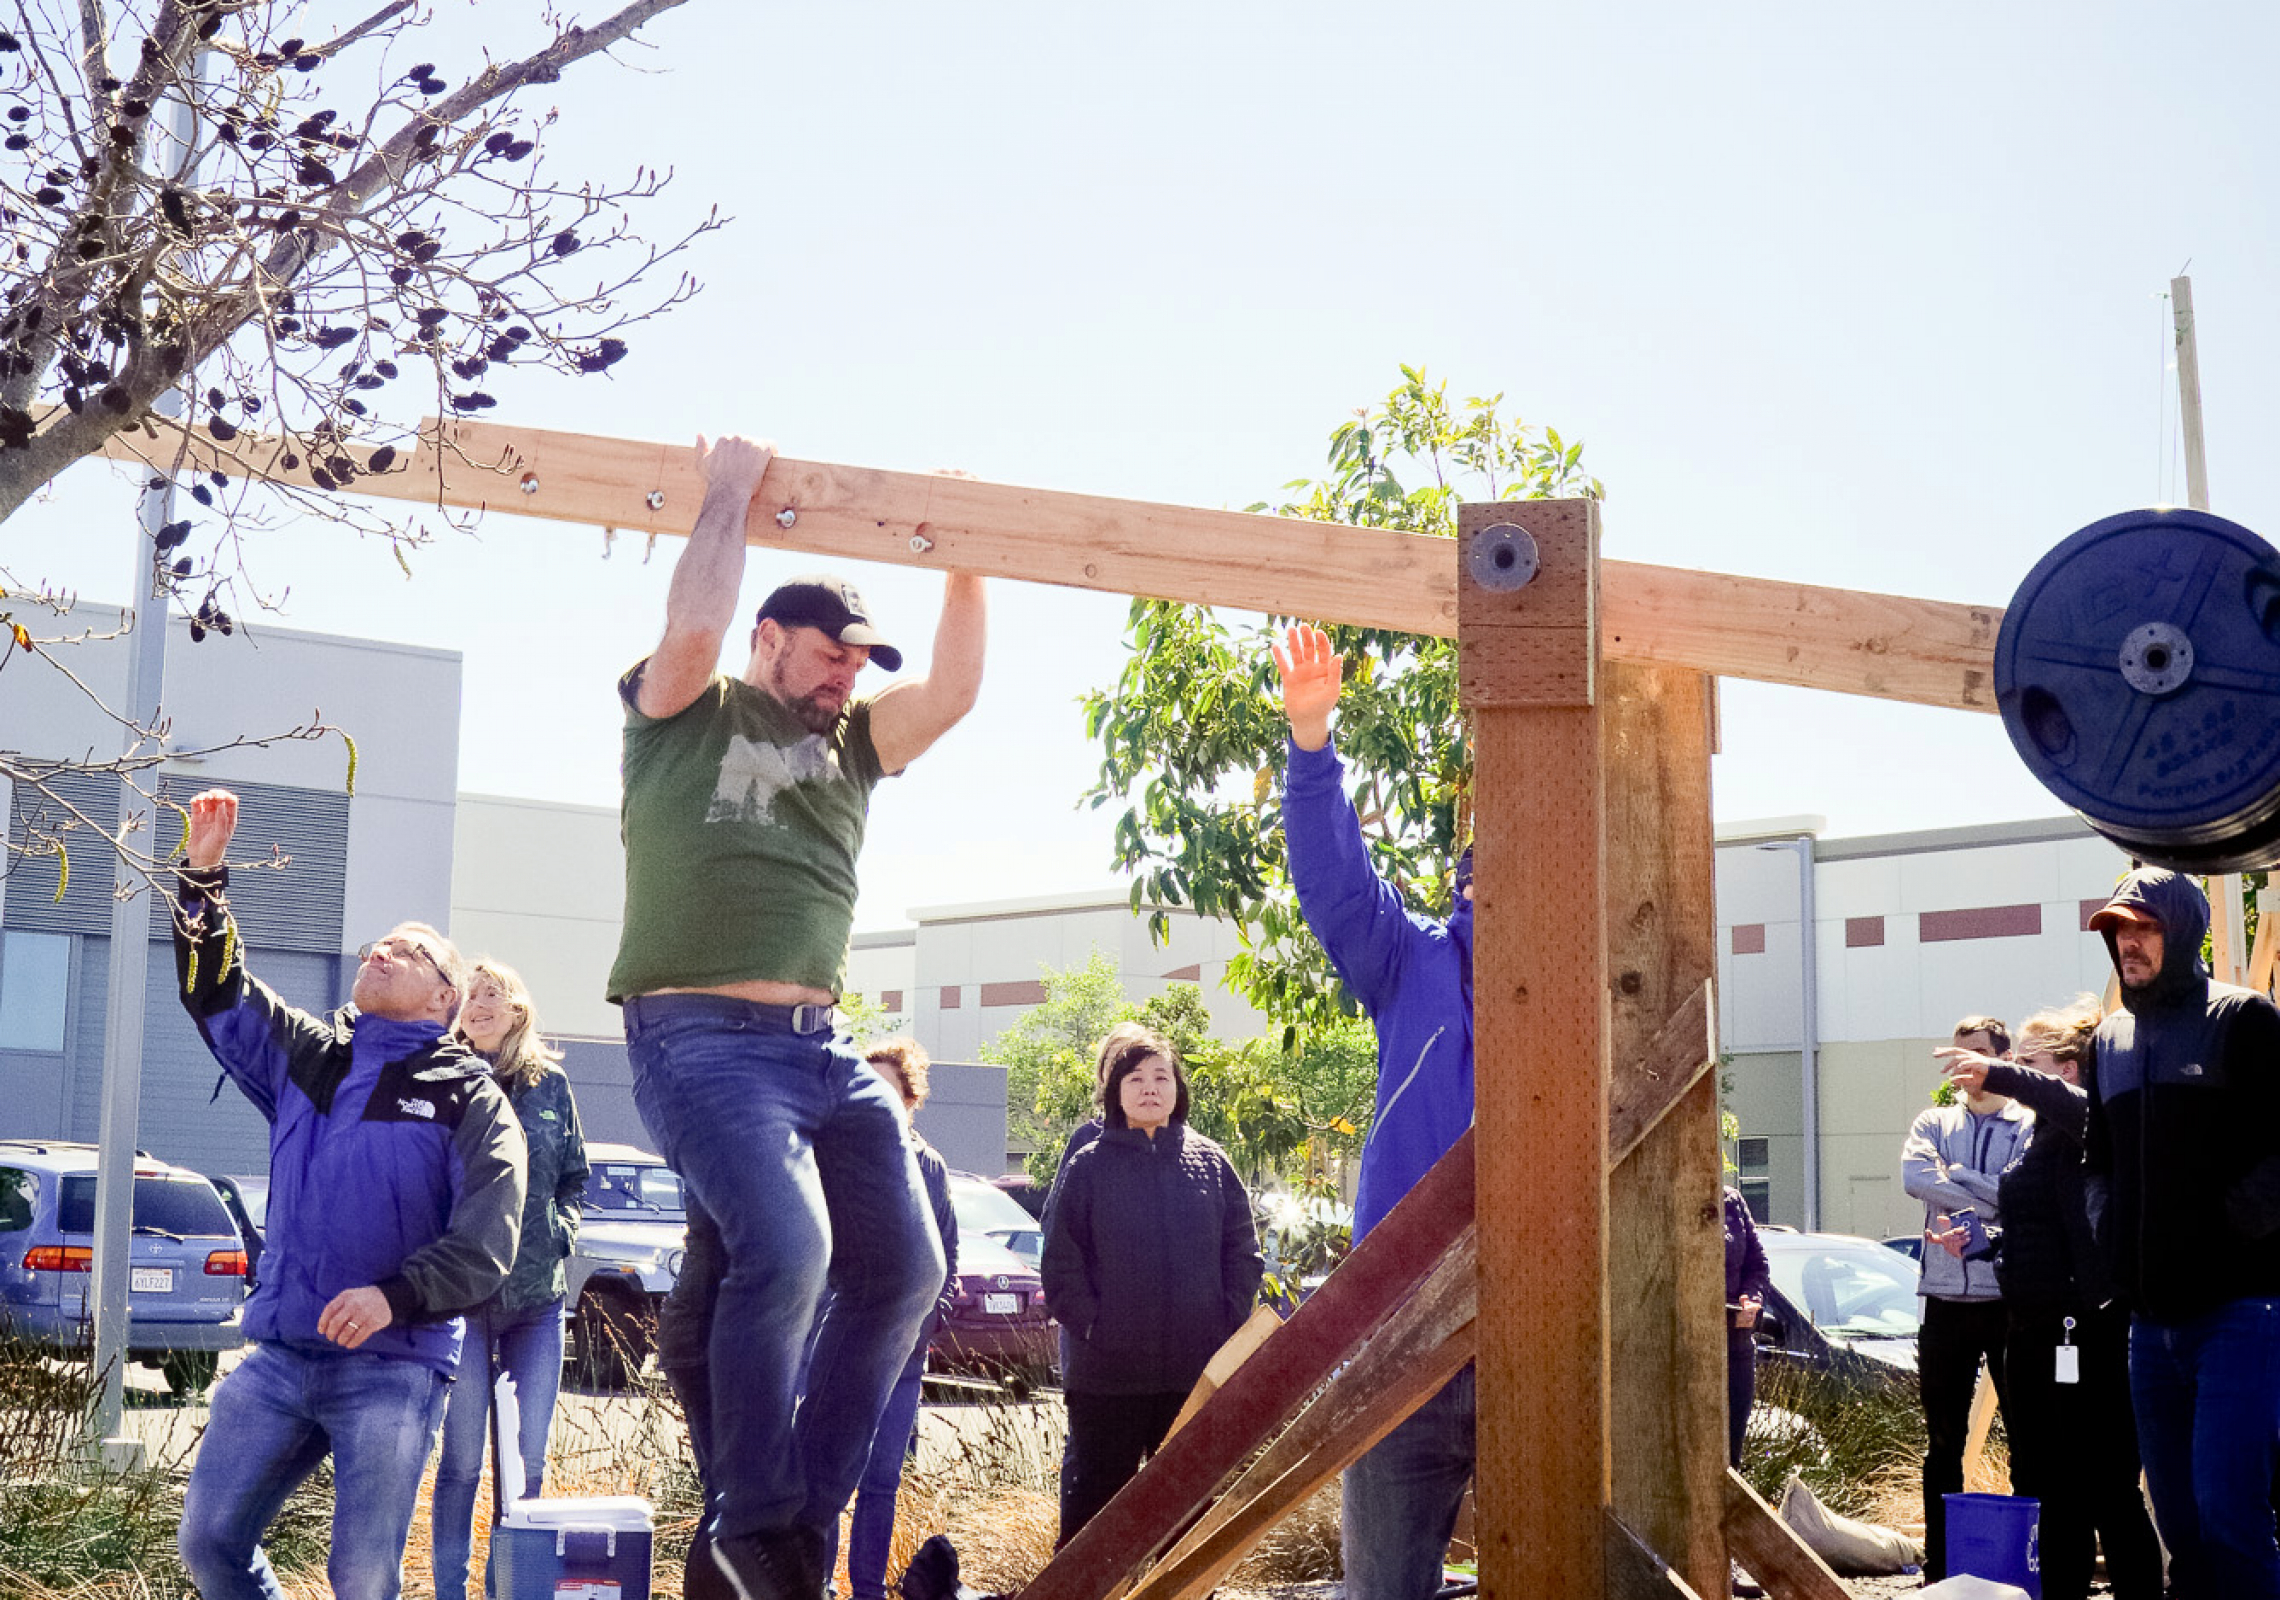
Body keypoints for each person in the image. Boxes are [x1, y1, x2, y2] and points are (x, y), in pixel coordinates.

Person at [608, 433, 985, 1600]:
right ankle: (748, 1512)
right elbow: (691, 628)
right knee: (790, 1248)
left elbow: (958, 692)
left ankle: (792, 1536)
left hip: (823, 1048)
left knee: (908, 1268)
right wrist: (726, 492)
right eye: (830, 656)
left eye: (860, 664)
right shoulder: (684, 710)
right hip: (700, 1041)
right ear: (770, 640)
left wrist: (969, 558)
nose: (846, 680)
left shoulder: (858, 746)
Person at [168, 788, 528, 1600]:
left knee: (362, 1577)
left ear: (445, 999)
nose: (380, 951)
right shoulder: (309, 1055)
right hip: (283, 1353)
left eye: (407, 949)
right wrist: (203, 879)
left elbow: (487, 1244)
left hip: (394, 1367)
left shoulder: (471, 1098)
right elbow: (218, 995)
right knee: (209, 1542)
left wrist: (394, 1296)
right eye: (377, 944)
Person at [1272, 623, 1476, 1600]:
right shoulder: (1414, 958)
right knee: (1385, 1585)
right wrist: (1313, 745)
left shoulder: (1587, 983)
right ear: (1467, 884)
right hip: (1404, 1318)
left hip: (1544, 1317)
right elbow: (1335, 881)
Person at [2082, 868, 2280, 1599]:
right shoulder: (2109, 1041)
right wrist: (2111, 1236)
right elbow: (2095, 1162)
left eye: (2144, 927)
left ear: (2185, 930)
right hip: (2147, 1329)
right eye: (2117, 931)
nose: (2128, 943)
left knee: (2232, 1518)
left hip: (2239, 1316)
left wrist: (2224, 1231)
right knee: (2183, 1529)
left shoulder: (2243, 1018)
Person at [1040, 1027, 1262, 1545]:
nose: (1150, 1088)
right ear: (1114, 1092)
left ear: (1178, 1089)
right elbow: (1060, 1263)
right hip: (1107, 1381)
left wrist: (1224, 1323)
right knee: (1093, 1530)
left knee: (1186, 1526)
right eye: (1135, 1078)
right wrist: (1095, 1326)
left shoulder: (1210, 1161)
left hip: (1192, 1378)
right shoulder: (1088, 1165)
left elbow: (1243, 1252)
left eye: (1162, 1077)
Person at [430, 960, 592, 1600]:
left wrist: (561, 1229)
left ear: (518, 1009)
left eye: (491, 994)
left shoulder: (551, 1085)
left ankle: (511, 1590)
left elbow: (576, 1175)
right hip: (464, 1304)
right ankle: (451, 1592)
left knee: (525, 1467)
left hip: (536, 1304)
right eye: (470, 997)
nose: (479, 1004)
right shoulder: (445, 1078)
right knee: (463, 1463)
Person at [1900, 1012, 2029, 1582]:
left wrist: (1962, 1182)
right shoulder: (1932, 1121)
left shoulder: (2028, 1123)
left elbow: (2020, 1199)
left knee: (2028, 1438)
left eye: (1972, 1053)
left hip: (2008, 1301)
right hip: (1945, 1302)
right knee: (1943, 1442)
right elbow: (1914, 1178)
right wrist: (1987, 1193)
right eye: (1955, 1053)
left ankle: (2028, 1562)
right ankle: (1941, 1569)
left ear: (2000, 1058)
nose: (1960, 1065)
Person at [834, 1038, 959, 1600]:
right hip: (837, 1350)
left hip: (904, 1355)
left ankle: (867, 1591)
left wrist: (926, 1322)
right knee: (826, 1478)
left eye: (889, 1089)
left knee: (881, 1482)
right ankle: (814, 1583)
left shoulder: (928, 1165)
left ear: (910, 1099)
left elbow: (947, 1259)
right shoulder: (835, 1155)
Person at [1722, 1187, 1771, 1469]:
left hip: (1736, 1348)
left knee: (1730, 1459)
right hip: (1687, 1348)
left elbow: (1758, 1264)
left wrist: (1751, 1297)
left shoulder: (1732, 1200)